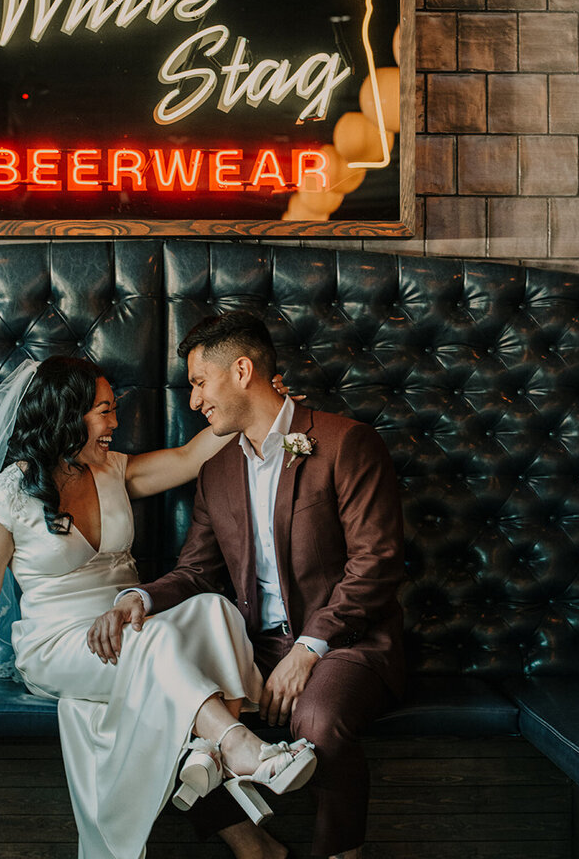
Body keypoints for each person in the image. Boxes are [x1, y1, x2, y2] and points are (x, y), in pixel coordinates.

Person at [0, 355, 316, 859]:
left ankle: (209, 761)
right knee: (154, 639)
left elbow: (188, 457)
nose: (115, 424)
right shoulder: (1, 498)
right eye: (103, 411)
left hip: (131, 622)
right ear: (64, 415)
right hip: (60, 644)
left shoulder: (114, 469)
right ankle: (235, 744)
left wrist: (256, 405)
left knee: (214, 610)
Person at [88, 312, 405, 859]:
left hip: (350, 642)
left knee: (318, 720)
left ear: (241, 370)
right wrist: (136, 599)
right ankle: (256, 849)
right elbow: (196, 571)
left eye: (198, 382)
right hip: (253, 646)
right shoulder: (216, 471)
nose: (193, 401)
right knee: (167, 706)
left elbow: (375, 564)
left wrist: (310, 647)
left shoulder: (345, 442)